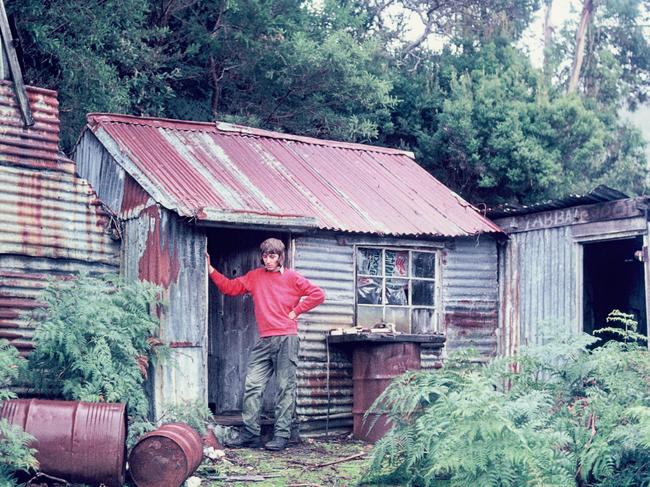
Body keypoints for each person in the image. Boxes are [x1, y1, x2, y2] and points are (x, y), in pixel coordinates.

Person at [207, 238, 325, 451]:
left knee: (284, 388)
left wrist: (296, 311)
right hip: (264, 340)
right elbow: (230, 288)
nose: (268, 260)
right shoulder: (254, 277)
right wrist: (211, 270)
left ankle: (281, 436)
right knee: (253, 385)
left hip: (286, 338)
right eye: (265, 256)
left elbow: (318, 294)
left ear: (281, 257)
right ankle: (251, 434)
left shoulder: (292, 277)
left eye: (272, 256)